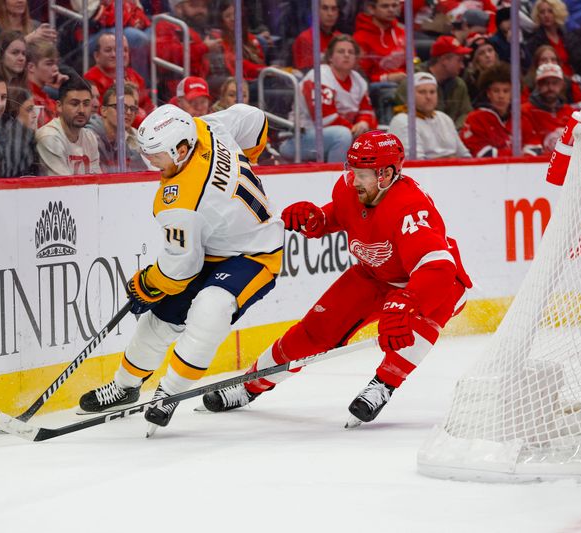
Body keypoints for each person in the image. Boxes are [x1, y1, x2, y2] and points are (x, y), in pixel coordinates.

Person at [202, 131, 471, 428]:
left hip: (433, 283)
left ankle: (385, 383)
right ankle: (249, 384)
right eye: (352, 171)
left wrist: (408, 301)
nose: (354, 181)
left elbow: (437, 266)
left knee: (411, 325)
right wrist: (317, 220)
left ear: (387, 174)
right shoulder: (348, 188)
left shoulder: (410, 207)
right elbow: (342, 214)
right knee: (313, 332)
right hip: (373, 275)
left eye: (363, 174)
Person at [77, 103, 282, 435]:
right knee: (161, 320)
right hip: (210, 246)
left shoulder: (180, 201)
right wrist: (249, 158)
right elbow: (254, 118)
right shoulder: (206, 127)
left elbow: (178, 272)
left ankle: (169, 393)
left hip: (254, 253)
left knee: (210, 310)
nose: (149, 162)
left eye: (155, 155)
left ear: (181, 149)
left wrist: (146, 284)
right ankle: (125, 385)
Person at [282, 34, 376, 163]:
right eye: (341, 51)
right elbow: (325, 120)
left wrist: (363, 123)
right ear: (330, 57)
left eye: (351, 52)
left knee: (375, 137)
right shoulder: (318, 77)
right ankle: (338, 178)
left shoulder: (358, 80)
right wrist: (355, 129)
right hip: (301, 138)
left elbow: (367, 112)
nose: (347, 55)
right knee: (342, 135)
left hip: (343, 133)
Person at [395, 35, 473, 129]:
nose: (462, 66)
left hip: (451, 136)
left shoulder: (459, 85)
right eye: (459, 60)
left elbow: (466, 113)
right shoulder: (414, 82)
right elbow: (403, 116)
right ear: (444, 60)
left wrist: (452, 131)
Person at [388, 72, 470, 160]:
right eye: (422, 92)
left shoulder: (444, 118)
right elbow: (414, 162)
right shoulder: (402, 120)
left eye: (432, 92)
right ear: (409, 95)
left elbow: (464, 155)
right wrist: (450, 159)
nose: (428, 96)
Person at [83, 31, 154, 127]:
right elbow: (101, 116)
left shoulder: (135, 77)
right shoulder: (90, 80)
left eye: (123, 50)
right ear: (97, 56)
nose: (115, 54)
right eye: (108, 50)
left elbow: (149, 108)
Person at [35, 75, 101, 176]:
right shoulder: (49, 137)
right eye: (75, 104)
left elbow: (98, 182)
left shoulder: (90, 137)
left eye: (86, 104)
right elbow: (64, 187)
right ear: (59, 106)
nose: (81, 110)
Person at [87, 82, 146, 172]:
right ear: (103, 111)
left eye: (133, 109)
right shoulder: (89, 138)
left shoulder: (124, 141)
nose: (129, 113)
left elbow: (142, 175)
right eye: (122, 107)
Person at [521, 63, 576, 154]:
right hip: (538, 164)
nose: (550, 87)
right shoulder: (526, 111)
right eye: (545, 83)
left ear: (562, 85)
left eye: (554, 83)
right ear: (537, 85)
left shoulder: (571, 113)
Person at [353, 0, 406, 84]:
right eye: (385, 6)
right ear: (371, 9)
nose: (391, 10)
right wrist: (386, 78)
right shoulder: (360, 38)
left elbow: (413, 62)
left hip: (405, 81)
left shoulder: (402, 32)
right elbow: (361, 76)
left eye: (394, 6)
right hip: (379, 86)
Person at [523, 45, 581, 111]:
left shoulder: (570, 84)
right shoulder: (527, 85)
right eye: (544, 60)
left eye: (553, 59)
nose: (549, 63)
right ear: (536, 63)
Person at [525, 0, 574, 77]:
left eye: (550, 11)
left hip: (571, 78)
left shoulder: (567, 36)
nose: (546, 15)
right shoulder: (534, 41)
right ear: (538, 16)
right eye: (542, 12)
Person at [0, 86, 38, 177]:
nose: (35, 115)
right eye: (29, 110)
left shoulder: (30, 140)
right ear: (14, 113)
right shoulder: (9, 146)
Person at [26, 39, 66, 128]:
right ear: (31, 67)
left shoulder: (47, 99)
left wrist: (65, 88)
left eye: (56, 63)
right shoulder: (24, 98)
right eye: (49, 64)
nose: (56, 68)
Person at [292, 0, 341, 71]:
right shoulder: (305, 39)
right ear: (316, 11)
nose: (330, 14)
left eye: (334, 9)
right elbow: (306, 73)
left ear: (338, 13)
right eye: (325, 8)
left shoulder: (341, 38)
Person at [463, 34, 499, 103]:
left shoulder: (504, 74)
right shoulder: (471, 81)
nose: (487, 55)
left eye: (490, 50)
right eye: (481, 53)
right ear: (475, 60)